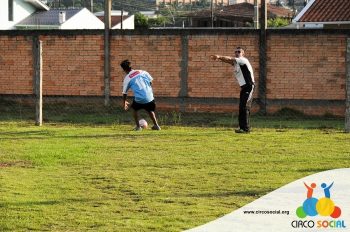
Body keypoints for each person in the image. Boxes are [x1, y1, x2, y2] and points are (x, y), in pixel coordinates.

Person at [210, 47, 255, 133]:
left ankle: (246, 129)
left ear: (242, 54)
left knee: (245, 107)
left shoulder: (243, 60)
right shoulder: (236, 63)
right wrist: (220, 59)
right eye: (235, 52)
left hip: (249, 86)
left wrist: (219, 56)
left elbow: (230, 58)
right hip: (244, 87)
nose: (237, 53)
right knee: (241, 107)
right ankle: (242, 128)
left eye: (239, 52)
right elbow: (229, 61)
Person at [120, 59, 161, 131]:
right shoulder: (143, 72)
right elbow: (151, 81)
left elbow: (124, 93)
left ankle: (138, 127)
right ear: (131, 67)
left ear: (124, 70)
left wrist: (124, 102)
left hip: (140, 98)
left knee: (134, 109)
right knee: (150, 110)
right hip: (150, 97)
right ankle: (156, 126)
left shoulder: (127, 78)